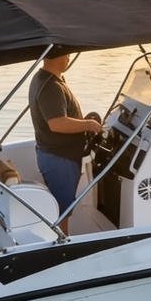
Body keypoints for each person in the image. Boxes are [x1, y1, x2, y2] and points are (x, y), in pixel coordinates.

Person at [29, 52, 103, 231]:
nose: (69, 58)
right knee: (63, 209)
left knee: (61, 205)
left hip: (54, 154)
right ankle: (63, 245)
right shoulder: (51, 86)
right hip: (59, 159)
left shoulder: (43, 78)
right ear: (57, 56)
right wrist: (89, 124)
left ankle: (61, 239)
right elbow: (57, 123)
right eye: (67, 54)